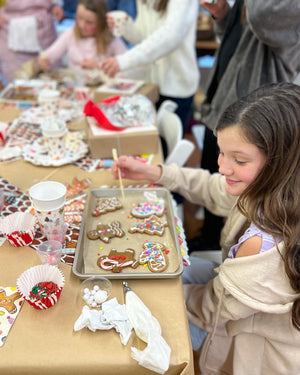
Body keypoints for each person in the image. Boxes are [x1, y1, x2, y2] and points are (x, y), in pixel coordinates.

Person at [111, 83, 300, 374]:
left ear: (281, 161)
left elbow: (213, 309)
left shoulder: (263, 246)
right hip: (230, 292)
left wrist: (154, 295)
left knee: (130, 322)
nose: (223, 167)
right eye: (222, 153)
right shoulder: (270, 186)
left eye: (238, 159)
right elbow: (214, 188)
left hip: (243, 342)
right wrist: (157, 173)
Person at [189, 0, 300, 252]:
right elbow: (234, 38)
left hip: (251, 119)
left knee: (240, 188)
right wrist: (222, 16)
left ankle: (225, 244)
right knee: (217, 171)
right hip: (224, 104)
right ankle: (211, 238)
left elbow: (261, 17)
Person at [101, 0, 200, 133]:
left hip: (177, 85)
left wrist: (124, 61)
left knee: (164, 148)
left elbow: (170, 37)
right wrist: (125, 26)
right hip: (151, 84)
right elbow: (144, 36)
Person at [37, 0, 127, 72]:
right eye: (79, 18)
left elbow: (126, 65)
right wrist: (44, 59)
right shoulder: (71, 33)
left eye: (89, 22)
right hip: (75, 88)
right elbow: (52, 53)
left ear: (101, 22)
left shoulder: (111, 38)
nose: (82, 25)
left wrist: (99, 66)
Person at [0, 0, 64, 84]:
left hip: (45, 34)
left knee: (52, 84)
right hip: (11, 37)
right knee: (19, 86)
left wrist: (56, 5)